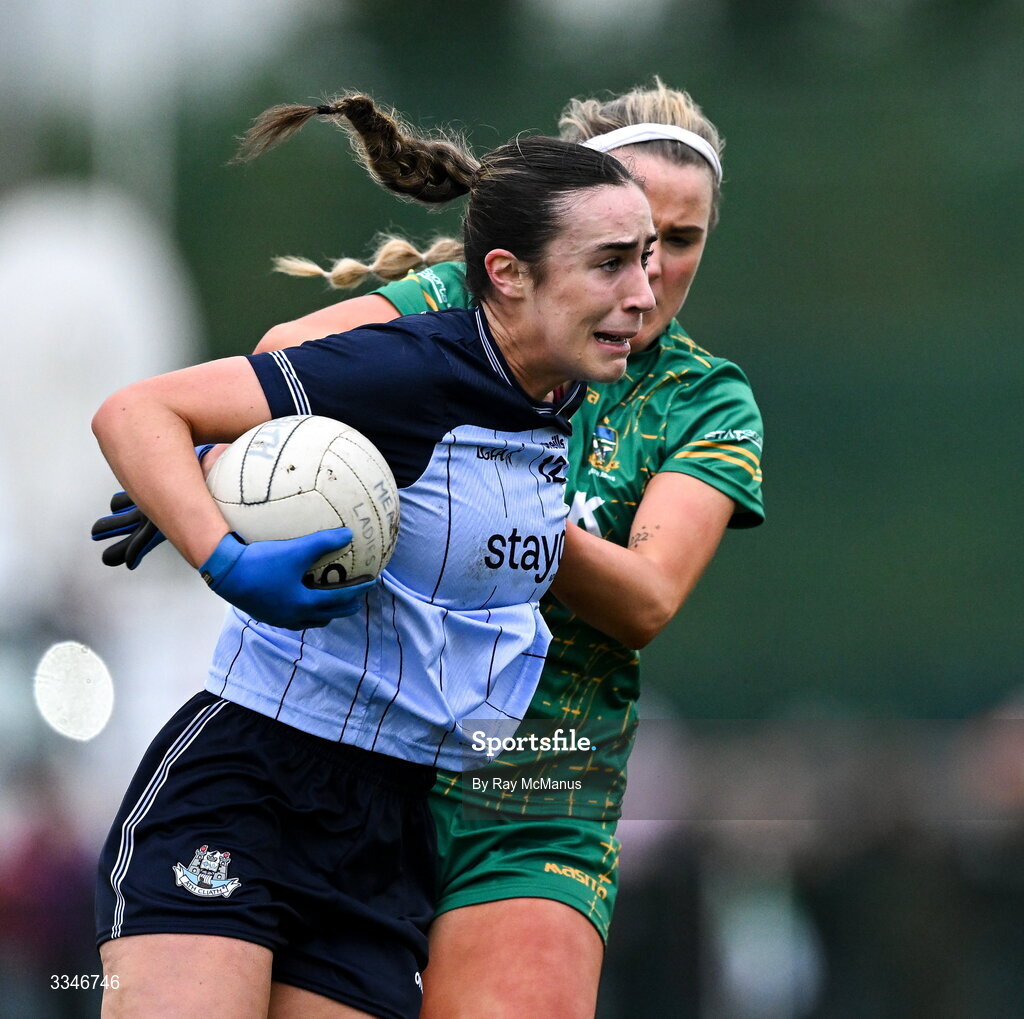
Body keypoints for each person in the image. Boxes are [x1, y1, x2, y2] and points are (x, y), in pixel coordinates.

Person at [94, 79, 765, 1017]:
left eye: (668, 248)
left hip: (513, 781)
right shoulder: (447, 338)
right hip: (274, 766)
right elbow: (240, 380)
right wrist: (225, 494)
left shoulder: (637, 390)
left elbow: (646, 597)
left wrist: (519, 519)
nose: (646, 287)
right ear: (517, 264)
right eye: (619, 252)